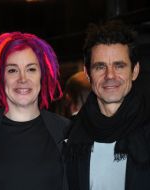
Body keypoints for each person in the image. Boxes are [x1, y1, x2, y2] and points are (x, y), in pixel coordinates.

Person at [0, 32, 71, 190]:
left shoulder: (66, 131)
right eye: (12, 70)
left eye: (31, 69)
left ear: (43, 75)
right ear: (0, 77)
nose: (22, 79)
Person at [66, 20, 150, 190]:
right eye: (100, 67)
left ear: (135, 71)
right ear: (87, 74)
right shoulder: (70, 137)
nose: (110, 75)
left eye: (119, 66)